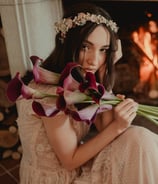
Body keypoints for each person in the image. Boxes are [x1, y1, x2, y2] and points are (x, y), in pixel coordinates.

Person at [15, 2, 158, 184]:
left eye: (103, 50)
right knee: (138, 141)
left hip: (78, 166)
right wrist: (119, 126)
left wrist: (106, 78)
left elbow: (103, 130)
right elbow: (69, 161)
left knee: (139, 139)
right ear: (67, 43)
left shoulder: (79, 78)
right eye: (85, 47)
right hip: (60, 178)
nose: (94, 60)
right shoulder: (49, 94)